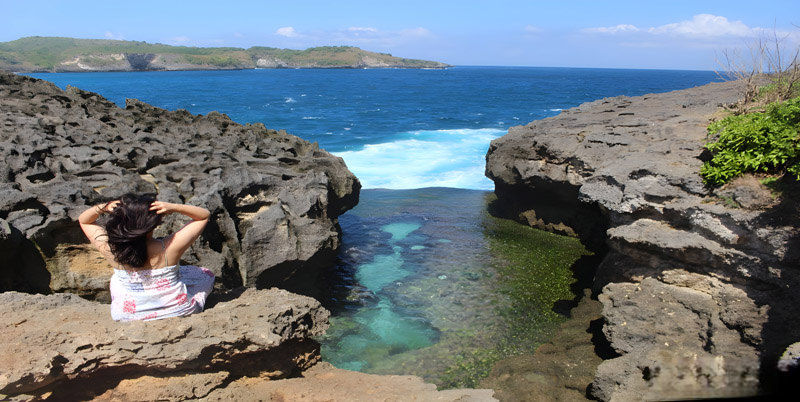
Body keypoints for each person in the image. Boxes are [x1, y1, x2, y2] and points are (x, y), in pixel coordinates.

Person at [78, 193, 215, 321]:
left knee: (116, 279)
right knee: (205, 274)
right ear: (154, 223)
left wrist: (104, 207)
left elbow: (85, 221)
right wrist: (174, 207)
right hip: (179, 311)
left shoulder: (110, 248)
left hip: (129, 316)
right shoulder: (169, 247)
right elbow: (203, 215)